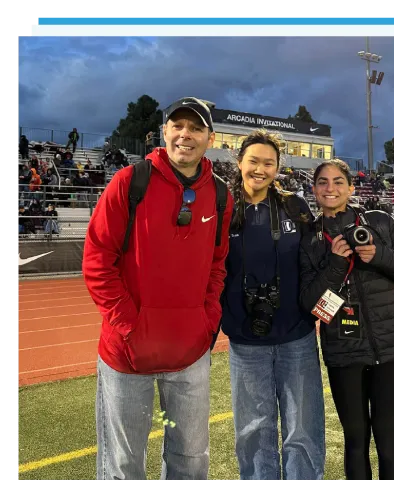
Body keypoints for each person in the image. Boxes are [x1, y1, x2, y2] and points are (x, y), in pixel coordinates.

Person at [82, 96, 234, 480]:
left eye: (196, 128)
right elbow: (98, 260)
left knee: (191, 460)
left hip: (190, 352)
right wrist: (130, 326)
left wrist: (206, 321)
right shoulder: (129, 182)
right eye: (178, 125)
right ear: (164, 131)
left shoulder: (220, 194)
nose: (186, 134)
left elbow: (218, 264)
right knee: (123, 466)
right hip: (127, 352)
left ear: (210, 138)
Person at [298, 159, 394, 480]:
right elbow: (308, 302)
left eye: (338, 181)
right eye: (323, 182)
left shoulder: (379, 222)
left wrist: (378, 255)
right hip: (344, 350)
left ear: (351, 188)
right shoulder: (309, 238)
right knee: (355, 440)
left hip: (392, 348)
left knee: (388, 441)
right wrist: (336, 264)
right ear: (314, 189)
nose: (331, 188)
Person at [219, 129, 326, 480]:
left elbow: (315, 264)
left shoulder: (294, 205)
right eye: (254, 161)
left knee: (303, 430)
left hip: (297, 337)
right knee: (253, 432)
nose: (261, 169)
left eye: (269, 162)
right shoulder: (223, 208)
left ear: (279, 167)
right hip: (246, 342)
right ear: (239, 162)